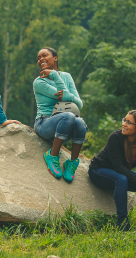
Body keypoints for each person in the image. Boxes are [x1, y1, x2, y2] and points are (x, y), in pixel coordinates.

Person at [88, 110, 136, 232]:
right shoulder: (116, 137)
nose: (124, 124)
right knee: (121, 179)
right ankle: (123, 224)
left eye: (129, 122)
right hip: (98, 171)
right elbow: (119, 167)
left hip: (119, 174)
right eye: (124, 120)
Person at [33, 47, 86, 182]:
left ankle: (72, 162)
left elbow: (79, 104)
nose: (41, 59)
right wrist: (55, 76)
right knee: (68, 116)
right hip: (44, 124)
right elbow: (62, 96)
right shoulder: (39, 82)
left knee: (79, 122)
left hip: (64, 127)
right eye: (39, 58)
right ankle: (53, 155)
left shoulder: (66, 76)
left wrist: (57, 76)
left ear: (55, 58)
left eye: (44, 55)